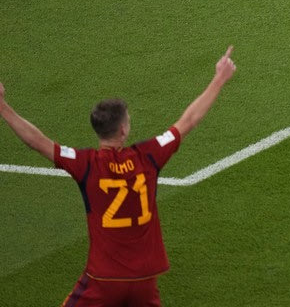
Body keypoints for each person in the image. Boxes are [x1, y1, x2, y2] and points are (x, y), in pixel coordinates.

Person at [0, 47, 237, 306]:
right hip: (145, 280)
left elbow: (37, 141)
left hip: (103, 281)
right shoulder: (149, 155)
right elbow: (188, 120)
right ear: (123, 130)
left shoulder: (85, 164)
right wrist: (219, 79)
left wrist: (2, 106)